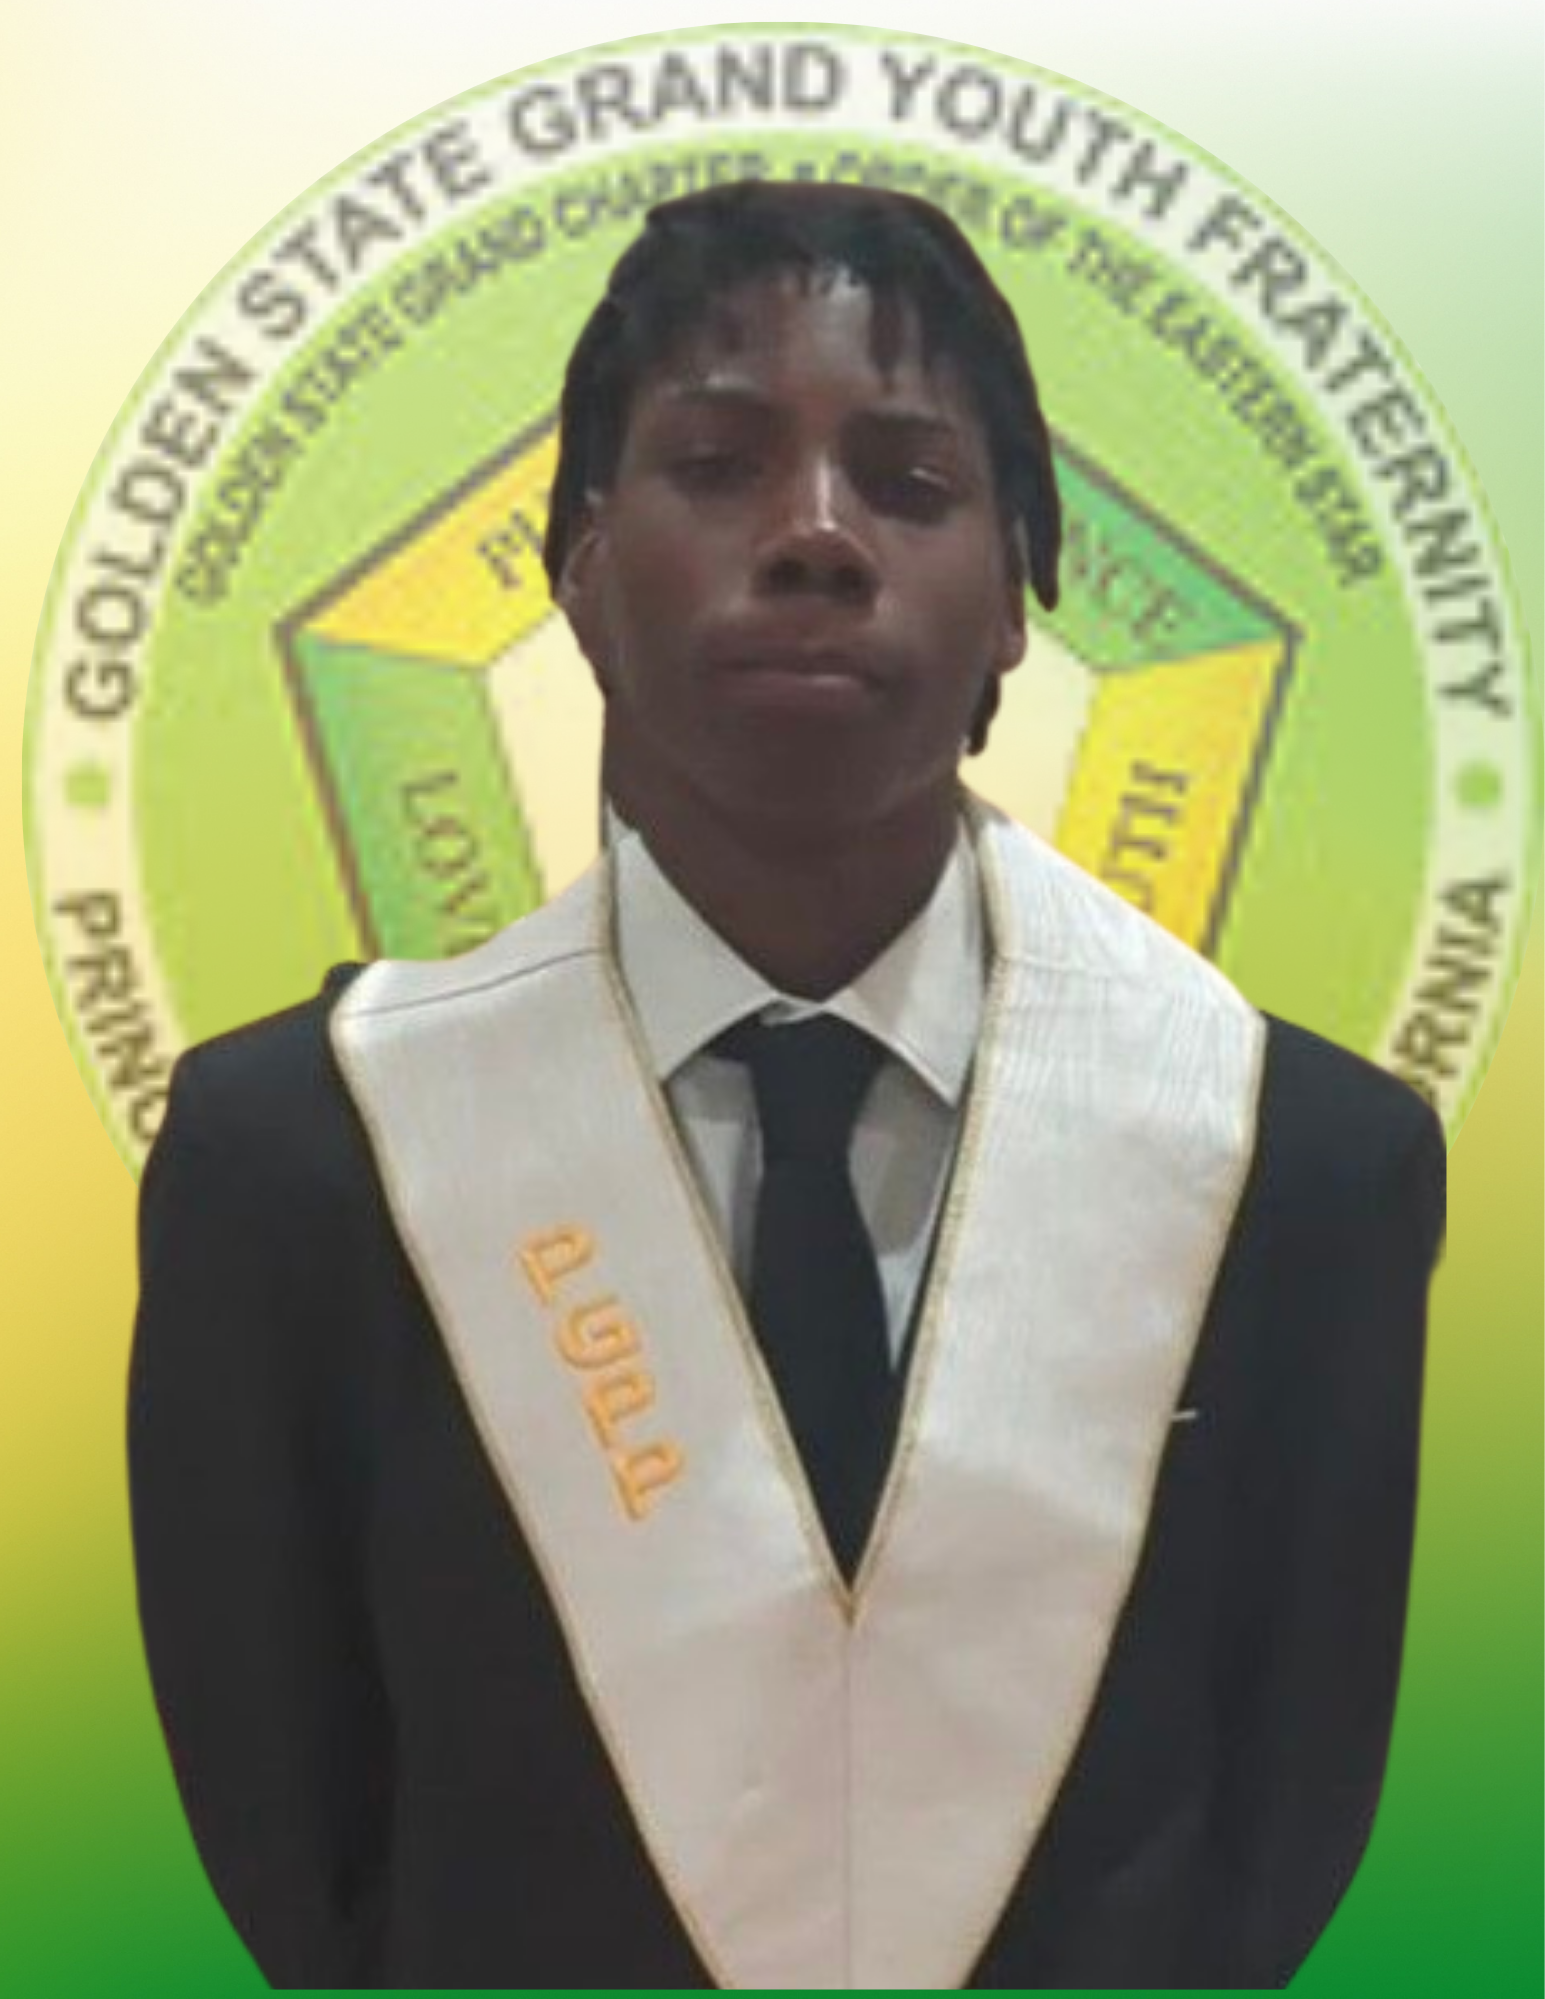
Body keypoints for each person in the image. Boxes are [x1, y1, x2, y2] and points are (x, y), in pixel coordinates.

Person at [128, 181, 1446, 1991]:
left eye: (909, 482)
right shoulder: (306, 1162)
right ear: (580, 570)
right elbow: (306, 1842)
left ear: (1016, 600)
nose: (818, 533)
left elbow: (1275, 1831)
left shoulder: (1293, 1167)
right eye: (718, 463)